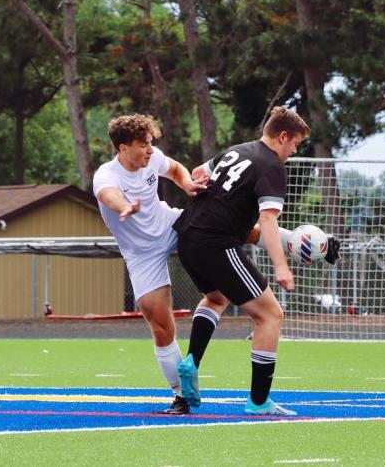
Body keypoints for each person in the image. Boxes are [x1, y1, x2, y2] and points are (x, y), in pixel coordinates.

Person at [174, 106, 341, 416]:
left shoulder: (237, 150)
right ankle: (259, 401)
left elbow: (198, 172)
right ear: (283, 136)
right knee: (271, 315)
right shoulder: (272, 167)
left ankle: (191, 361)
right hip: (216, 244)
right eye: (295, 143)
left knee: (215, 298)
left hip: (187, 237)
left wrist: (292, 241)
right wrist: (281, 266)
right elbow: (266, 220)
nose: (294, 150)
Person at [92, 114, 206, 415]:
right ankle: (183, 397)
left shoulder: (152, 158)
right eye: (143, 145)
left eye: (151, 144)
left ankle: (292, 243)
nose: (149, 150)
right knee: (161, 328)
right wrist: (124, 207)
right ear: (122, 148)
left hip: (169, 225)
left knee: (216, 227)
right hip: (142, 255)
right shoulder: (106, 175)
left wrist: (187, 185)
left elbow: (175, 168)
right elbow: (108, 195)